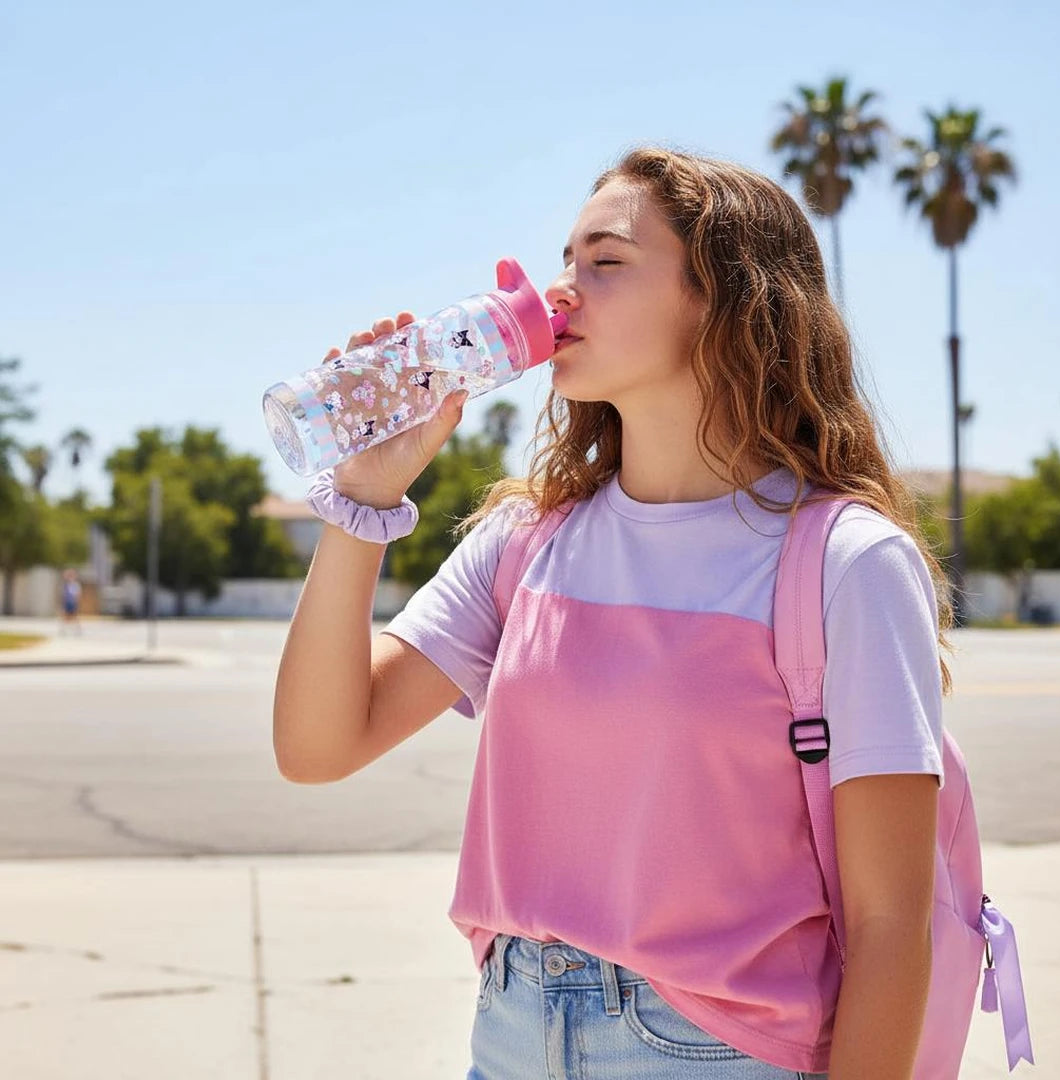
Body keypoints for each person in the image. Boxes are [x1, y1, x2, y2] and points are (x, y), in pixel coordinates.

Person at [274, 148, 950, 1080]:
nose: (560, 293)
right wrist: (361, 502)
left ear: (726, 300)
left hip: (720, 1051)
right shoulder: (527, 541)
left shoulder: (845, 562)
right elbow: (318, 746)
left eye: (607, 261)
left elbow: (889, 926)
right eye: (565, 260)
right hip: (511, 1033)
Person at [59, 568, 82, 635]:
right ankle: (63, 630)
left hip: (72, 602)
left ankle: (77, 630)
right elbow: (63, 595)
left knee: (75, 616)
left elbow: (77, 594)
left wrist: (76, 602)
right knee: (65, 617)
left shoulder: (75, 585)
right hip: (67, 602)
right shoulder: (65, 585)